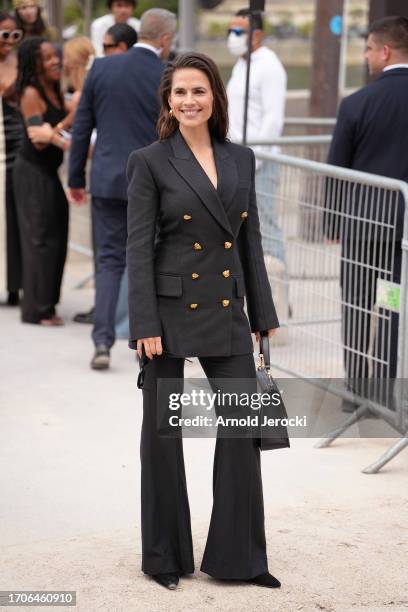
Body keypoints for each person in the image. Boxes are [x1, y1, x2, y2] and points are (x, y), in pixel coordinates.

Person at [127, 51, 281, 591]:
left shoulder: (241, 158)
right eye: (179, 93)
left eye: (199, 91)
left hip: (227, 310)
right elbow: (138, 248)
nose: (189, 101)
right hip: (166, 314)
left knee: (242, 433)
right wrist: (143, 322)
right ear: (168, 102)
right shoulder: (149, 160)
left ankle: (239, 558)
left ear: (214, 96)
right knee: (163, 436)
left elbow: (250, 241)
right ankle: (165, 558)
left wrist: (263, 314)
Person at [68, 8, 177, 370]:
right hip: (154, 183)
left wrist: (76, 179)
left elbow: (82, 127)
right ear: (165, 40)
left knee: (109, 260)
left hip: (109, 180)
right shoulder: (166, 76)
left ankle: (102, 342)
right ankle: (145, 343)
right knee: (150, 259)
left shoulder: (101, 68)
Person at [326, 16, 408, 408]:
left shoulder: (357, 103)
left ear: (385, 51)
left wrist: (332, 221)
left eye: (369, 49)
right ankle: (386, 391)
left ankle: (354, 391)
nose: (367, 56)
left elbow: (337, 168)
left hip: (362, 227)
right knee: (392, 305)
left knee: (357, 303)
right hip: (403, 232)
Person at [13, 37, 70, 326]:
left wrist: (59, 129)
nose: (55, 61)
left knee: (58, 234)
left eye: (55, 56)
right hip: (32, 172)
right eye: (47, 58)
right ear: (34, 63)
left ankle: (48, 303)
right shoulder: (31, 93)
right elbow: (37, 139)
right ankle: (36, 309)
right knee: (40, 239)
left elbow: (51, 133)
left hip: (48, 172)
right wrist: (64, 133)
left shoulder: (55, 89)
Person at [226, 8, 287, 267]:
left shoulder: (270, 66)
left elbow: (273, 120)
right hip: (237, 157)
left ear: (257, 35)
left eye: (238, 31)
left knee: (265, 224)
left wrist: (255, 159)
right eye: (230, 31)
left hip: (259, 162)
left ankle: (280, 298)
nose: (232, 36)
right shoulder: (242, 63)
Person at [0, 11, 24, 306]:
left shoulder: (19, 61)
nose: (9, 40)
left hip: (17, 140)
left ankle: (15, 284)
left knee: (17, 214)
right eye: (3, 34)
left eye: (14, 34)